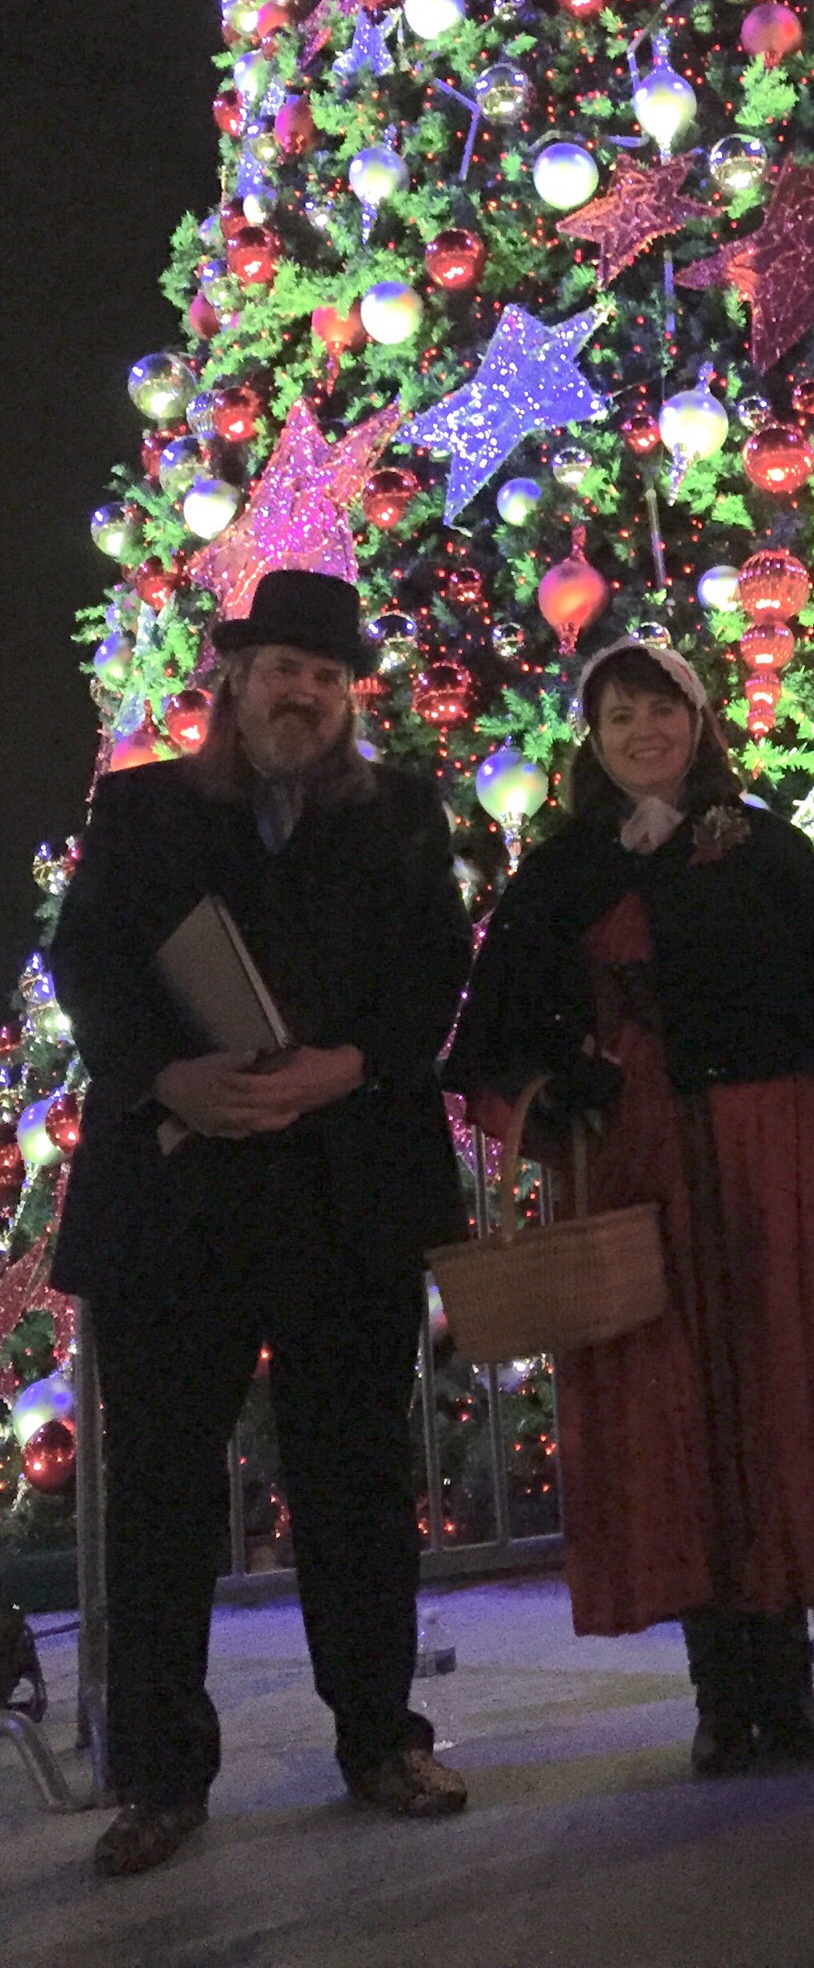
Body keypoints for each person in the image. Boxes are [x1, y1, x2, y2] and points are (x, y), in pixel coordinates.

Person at [50, 570, 473, 1876]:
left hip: (346, 1196)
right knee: (162, 1499)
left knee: (358, 1485)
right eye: (281, 667)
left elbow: (437, 972)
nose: (302, 691)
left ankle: (381, 1739)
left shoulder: (401, 814)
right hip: (178, 1203)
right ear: (234, 680)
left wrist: (352, 1065)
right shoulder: (141, 808)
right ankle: (160, 1778)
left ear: (350, 697)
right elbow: (89, 962)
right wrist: (164, 1077)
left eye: (326, 675)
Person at [445, 639, 814, 1775]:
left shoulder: (767, 850)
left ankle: (785, 1680)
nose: (644, 732)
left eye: (662, 710)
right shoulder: (561, 874)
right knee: (669, 1408)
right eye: (620, 717)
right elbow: (495, 1044)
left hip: (764, 1155)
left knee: (772, 1393)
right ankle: (719, 1688)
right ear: (594, 740)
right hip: (635, 1166)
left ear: (699, 724)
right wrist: (559, 1082)